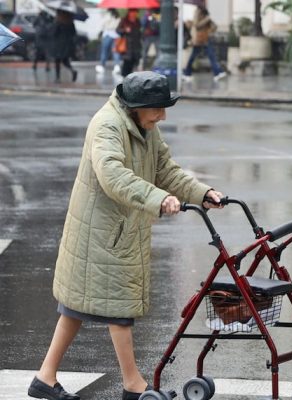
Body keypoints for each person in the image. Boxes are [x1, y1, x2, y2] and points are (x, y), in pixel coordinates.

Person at [26, 71, 225, 400]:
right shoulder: (107, 125)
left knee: (76, 308)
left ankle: (45, 377)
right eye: (157, 109)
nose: (162, 115)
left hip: (117, 228)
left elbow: (165, 169)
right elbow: (112, 174)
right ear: (136, 106)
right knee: (118, 309)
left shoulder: (145, 126)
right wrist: (156, 198)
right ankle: (133, 385)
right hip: (103, 232)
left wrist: (202, 193)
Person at [183, 6, 226, 82]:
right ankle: (186, 74)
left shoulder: (207, 19)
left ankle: (218, 73)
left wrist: (210, 28)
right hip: (198, 41)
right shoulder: (199, 18)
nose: (198, 13)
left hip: (205, 40)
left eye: (199, 12)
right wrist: (206, 19)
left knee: (211, 56)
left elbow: (215, 27)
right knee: (193, 58)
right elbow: (197, 26)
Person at [50, 10, 77, 83]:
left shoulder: (58, 22)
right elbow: (74, 33)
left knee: (57, 61)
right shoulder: (71, 22)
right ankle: (72, 70)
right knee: (65, 61)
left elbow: (54, 33)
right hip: (68, 44)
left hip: (59, 44)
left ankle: (57, 78)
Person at [117, 9, 142, 77]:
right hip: (127, 45)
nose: (133, 14)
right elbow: (118, 30)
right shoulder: (124, 20)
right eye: (132, 12)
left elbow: (139, 31)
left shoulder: (137, 21)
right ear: (129, 13)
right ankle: (124, 76)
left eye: (135, 12)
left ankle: (130, 77)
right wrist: (125, 30)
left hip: (136, 44)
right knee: (127, 61)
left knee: (135, 61)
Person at [97, 9, 122, 75]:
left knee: (104, 51)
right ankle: (117, 65)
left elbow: (103, 24)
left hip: (107, 34)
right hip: (116, 35)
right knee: (115, 51)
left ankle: (102, 65)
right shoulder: (117, 15)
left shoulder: (108, 15)